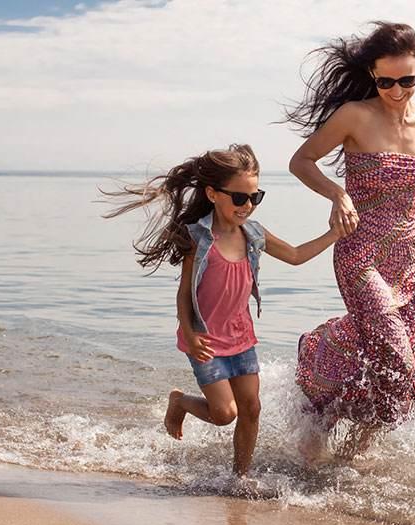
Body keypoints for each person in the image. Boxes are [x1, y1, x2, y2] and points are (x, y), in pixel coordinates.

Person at [284, 22, 415, 459]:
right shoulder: (354, 116)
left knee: (394, 355)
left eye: (407, 80)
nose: (397, 90)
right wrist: (338, 192)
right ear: (372, 75)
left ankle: (351, 448)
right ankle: (317, 351)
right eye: (385, 81)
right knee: (393, 348)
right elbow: (300, 161)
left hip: (408, 256)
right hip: (359, 251)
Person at [103, 144, 338, 476]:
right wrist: (188, 331)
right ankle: (180, 402)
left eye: (254, 198)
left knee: (251, 408)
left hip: (241, 336)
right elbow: (184, 293)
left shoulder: (254, 234)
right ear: (212, 194)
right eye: (239, 198)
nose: (247, 207)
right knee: (225, 413)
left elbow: (296, 255)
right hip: (206, 340)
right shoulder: (198, 238)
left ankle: (239, 479)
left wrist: (335, 233)